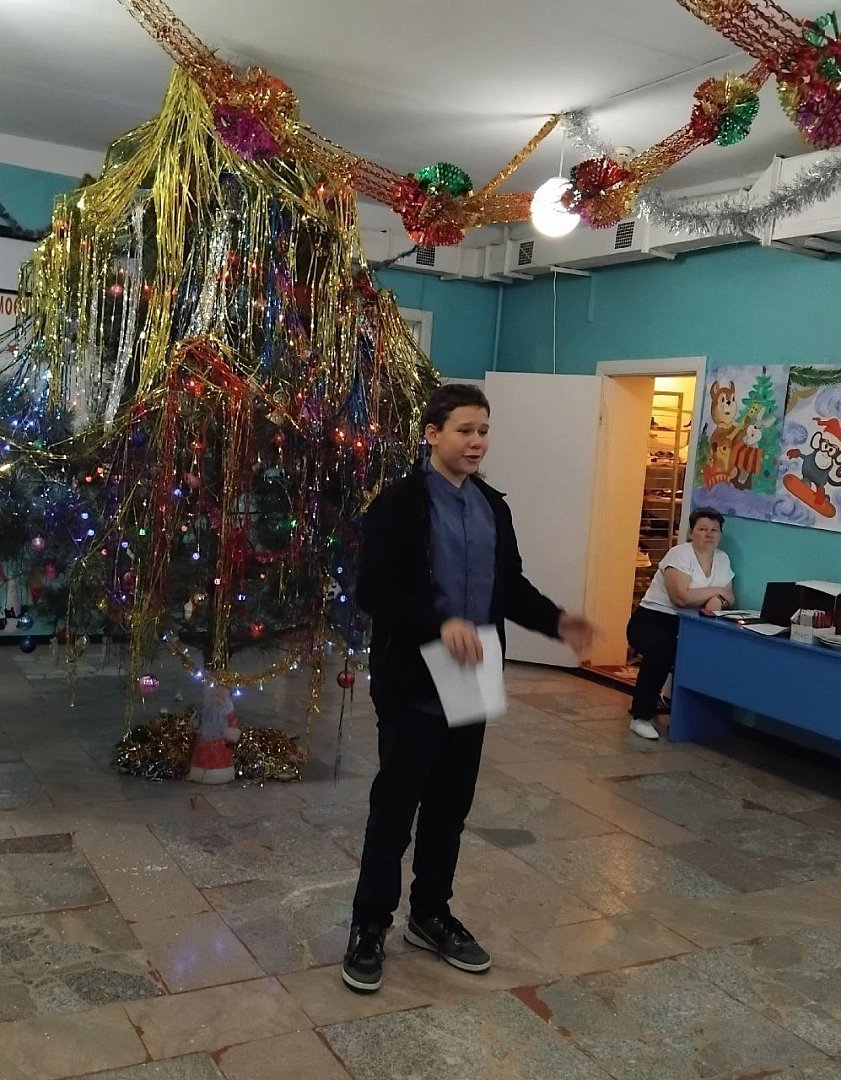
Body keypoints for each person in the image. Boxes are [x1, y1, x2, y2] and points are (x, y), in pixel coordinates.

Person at [342, 383, 595, 993]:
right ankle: (369, 926)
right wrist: (440, 624)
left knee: (450, 807)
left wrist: (557, 621)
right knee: (395, 810)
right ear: (432, 434)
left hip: (473, 675)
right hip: (414, 677)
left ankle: (430, 915)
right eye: (464, 430)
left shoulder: (492, 507)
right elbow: (373, 589)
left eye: (484, 430)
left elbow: (509, 587)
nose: (477, 441)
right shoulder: (400, 503)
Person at [626, 506, 735, 741]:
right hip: (653, 619)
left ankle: (691, 713)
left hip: (692, 624)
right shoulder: (679, 555)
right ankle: (641, 716)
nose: (708, 535)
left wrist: (716, 599)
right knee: (661, 650)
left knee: (714, 651)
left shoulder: (722, 559)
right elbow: (680, 598)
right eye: (702, 529)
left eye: (714, 530)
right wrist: (717, 591)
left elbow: (729, 598)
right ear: (691, 533)